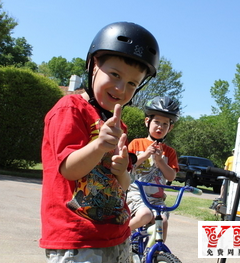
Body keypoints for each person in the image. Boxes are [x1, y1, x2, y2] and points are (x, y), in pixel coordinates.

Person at [40, 21, 160, 263]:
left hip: (118, 236)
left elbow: (123, 185)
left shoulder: (117, 125)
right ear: (94, 65)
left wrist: (122, 170)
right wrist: (98, 146)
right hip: (78, 240)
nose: (120, 88)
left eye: (132, 84)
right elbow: (68, 169)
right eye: (114, 74)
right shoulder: (70, 109)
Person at [127, 96, 180, 242]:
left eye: (165, 124)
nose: (160, 127)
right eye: (156, 122)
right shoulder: (136, 144)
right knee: (145, 215)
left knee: (162, 221)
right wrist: (144, 155)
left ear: (170, 128)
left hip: (157, 199)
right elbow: (128, 167)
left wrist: (160, 161)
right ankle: (120, 234)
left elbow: (171, 177)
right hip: (136, 194)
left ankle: (156, 252)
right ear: (147, 122)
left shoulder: (169, 152)